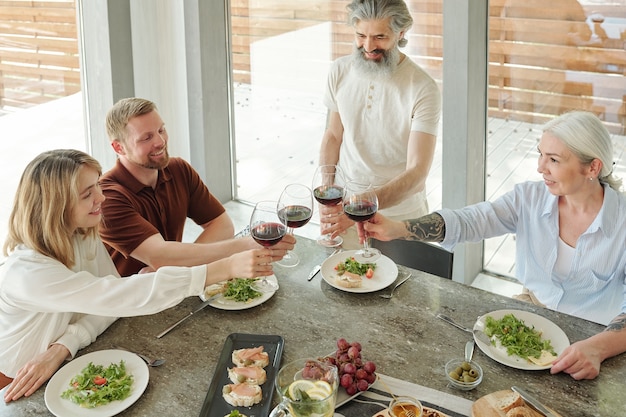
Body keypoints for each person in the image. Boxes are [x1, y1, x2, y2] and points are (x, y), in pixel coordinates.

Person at [361, 111, 626, 380]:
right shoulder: (529, 198)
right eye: (540, 154)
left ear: (592, 168)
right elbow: (472, 220)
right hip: (529, 318)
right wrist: (399, 228)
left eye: (554, 160)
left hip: (598, 339)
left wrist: (598, 348)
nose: (540, 167)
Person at [0, 149, 277, 401]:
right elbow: (124, 296)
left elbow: (110, 306)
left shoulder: (80, 233)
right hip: (19, 381)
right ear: (55, 206)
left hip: (61, 362)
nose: (101, 197)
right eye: (87, 194)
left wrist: (62, 346)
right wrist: (223, 268)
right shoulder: (28, 274)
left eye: (97, 185)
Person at [99, 97, 295, 276]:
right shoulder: (105, 197)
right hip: (130, 303)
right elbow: (159, 255)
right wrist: (244, 245)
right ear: (118, 147)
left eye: (161, 130)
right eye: (146, 137)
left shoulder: (178, 169)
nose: (160, 142)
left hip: (170, 289)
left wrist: (174, 266)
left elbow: (222, 225)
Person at [318, 0, 441, 249]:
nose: (368, 46)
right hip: (346, 209)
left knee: (405, 288)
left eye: (380, 37)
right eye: (361, 35)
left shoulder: (423, 88)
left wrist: (361, 206)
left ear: (401, 33)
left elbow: (417, 173)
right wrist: (328, 193)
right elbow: (333, 135)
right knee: (344, 281)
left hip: (401, 217)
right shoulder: (339, 71)